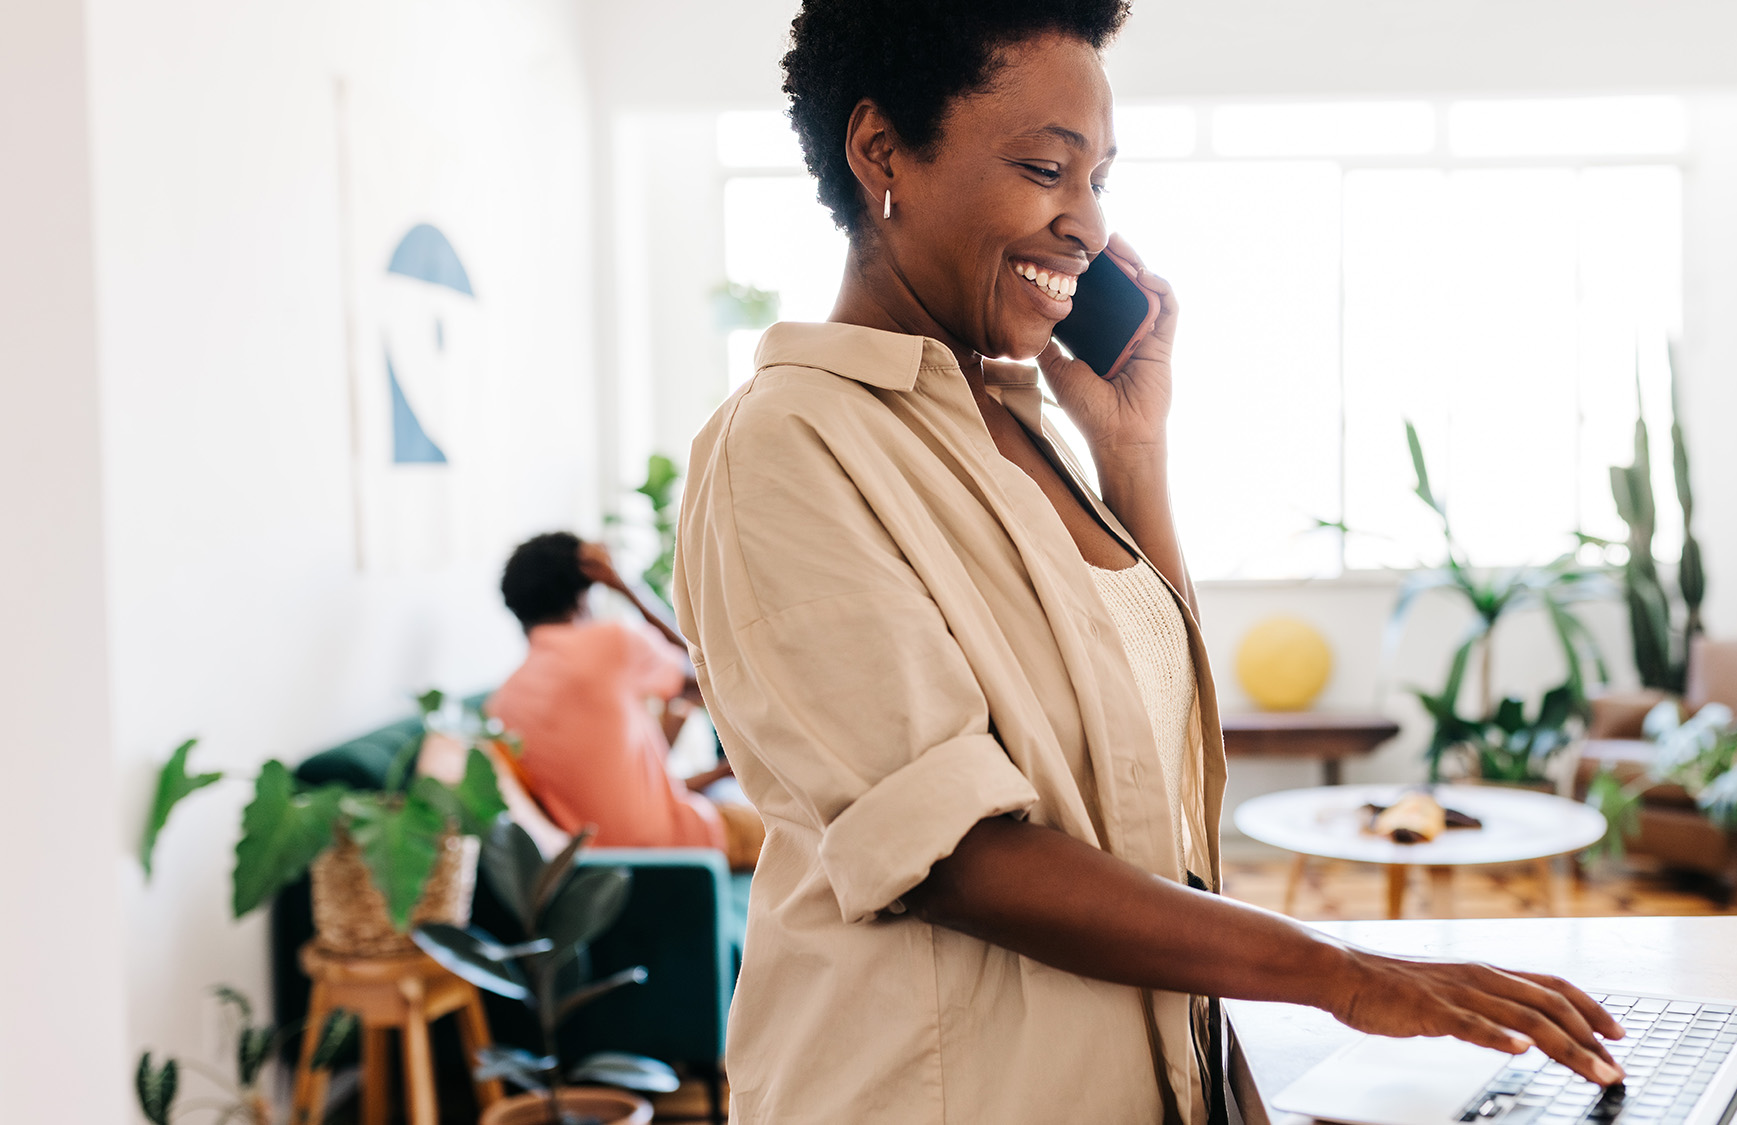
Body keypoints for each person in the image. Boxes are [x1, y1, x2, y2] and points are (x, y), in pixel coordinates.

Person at [670, 2, 1625, 1120]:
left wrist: (1131, 450)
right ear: (883, 150)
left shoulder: (1022, 426)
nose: (1082, 223)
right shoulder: (788, 442)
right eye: (1043, 168)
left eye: (1098, 181)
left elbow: (1151, 778)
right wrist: (1344, 976)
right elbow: (954, 856)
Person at [487, 531, 762, 869]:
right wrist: (624, 585)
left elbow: (616, 803)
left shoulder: (502, 706)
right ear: (584, 590)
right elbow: (708, 675)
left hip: (602, 871)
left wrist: (718, 773)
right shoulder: (611, 643)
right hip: (688, 844)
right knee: (809, 829)